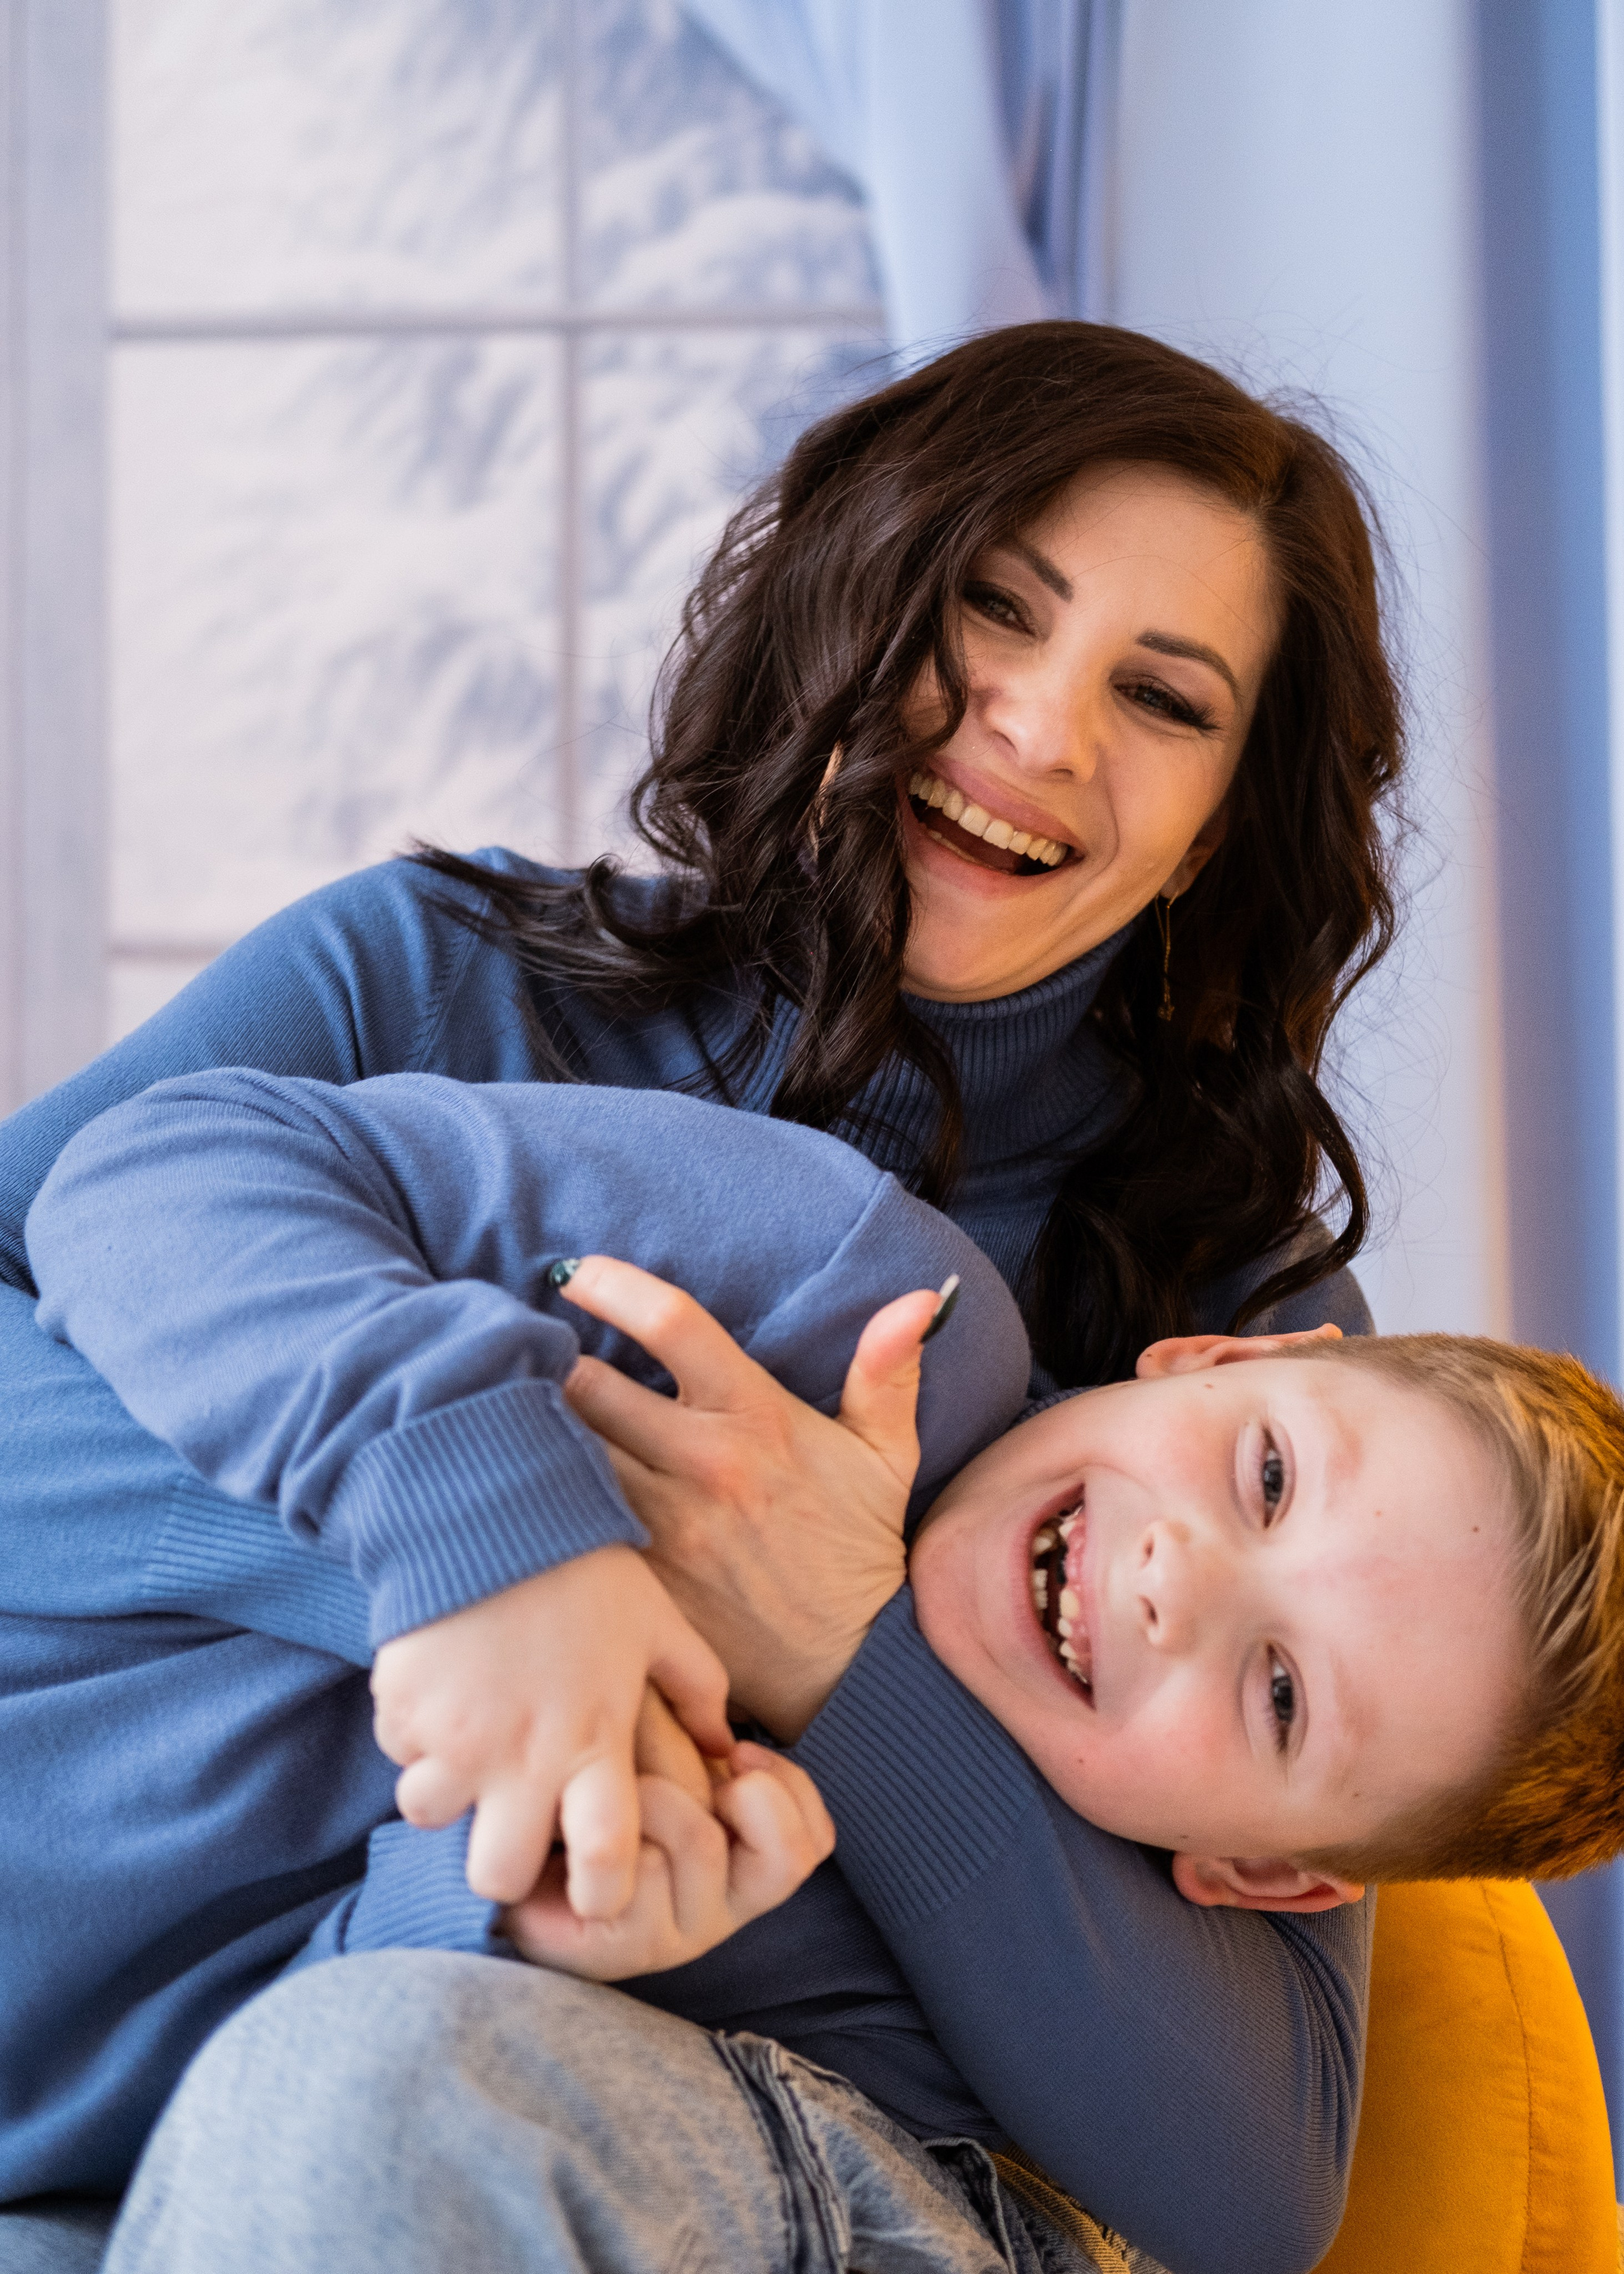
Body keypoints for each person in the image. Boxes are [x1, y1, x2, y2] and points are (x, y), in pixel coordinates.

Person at [0, 322, 1403, 2274]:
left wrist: (847, 1661)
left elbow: (1253, 2175)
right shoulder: (418, 977)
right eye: (989, 606)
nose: (1042, 727)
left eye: (1162, 701)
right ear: (857, 585)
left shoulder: (1232, 1324)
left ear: (1221, 833)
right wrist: (514, 1570)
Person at [11, 1067, 1624, 2274]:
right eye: (1265, 1476)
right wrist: (489, 1532)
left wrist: (484, 1901)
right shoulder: (850, 1290)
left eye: (1278, 1693)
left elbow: (241, 2136)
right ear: (1222, 1353)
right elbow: (167, 1162)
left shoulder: (908, 1994)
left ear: (1266, 1872)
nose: (1171, 1575)